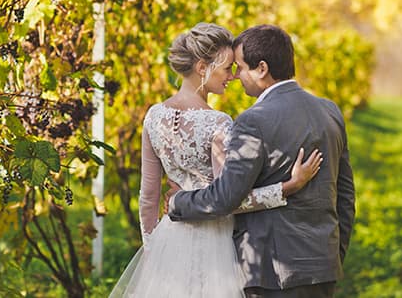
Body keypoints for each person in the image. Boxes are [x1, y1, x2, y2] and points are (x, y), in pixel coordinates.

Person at [109, 23, 322, 298]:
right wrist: (287, 187)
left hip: (168, 240)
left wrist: (151, 249)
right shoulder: (217, 123)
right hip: (214, 245)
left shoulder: (153, 116)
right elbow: (229, 201)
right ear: (202, 68)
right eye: (226, 69)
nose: (232, 76)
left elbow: (148, 196)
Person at [167, 24, 356, 297]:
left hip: (272, 273)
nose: (235, 77)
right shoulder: (329, 111)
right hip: (323, 265)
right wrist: (333, 253)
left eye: (241, 68)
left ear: (262, 69)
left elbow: (225, 197)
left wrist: (178, 201)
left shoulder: (253, 121)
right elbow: (346, 194)